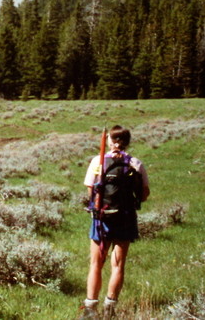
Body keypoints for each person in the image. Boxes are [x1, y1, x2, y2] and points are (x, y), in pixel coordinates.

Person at [81, 125, 150, 319]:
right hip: (126, 217)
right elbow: (144, 195)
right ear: (128, 143)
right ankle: (110, 308)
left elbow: (90, 191)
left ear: (110, 141)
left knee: (96, 263)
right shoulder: (135, 163)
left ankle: (90, 309)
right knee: (118, 265)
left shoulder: (98, 161)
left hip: (101, 219)